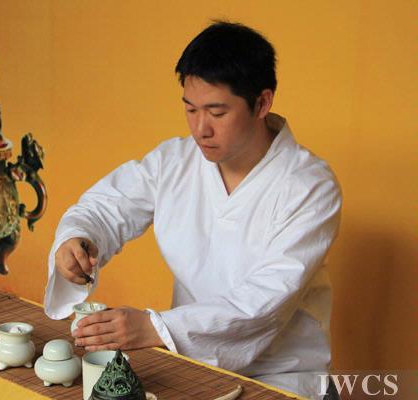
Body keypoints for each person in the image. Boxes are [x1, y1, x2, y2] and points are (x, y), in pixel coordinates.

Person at [44, 21, 341, 400]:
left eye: (217, 112)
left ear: (262, 103)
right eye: (190, 109)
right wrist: (78, 240)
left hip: (282, 377)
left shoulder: (309, 185)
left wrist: (154, 328)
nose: (201, 129)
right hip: (194, 368)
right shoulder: (175, 160)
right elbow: (106, 207)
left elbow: (265, 300)